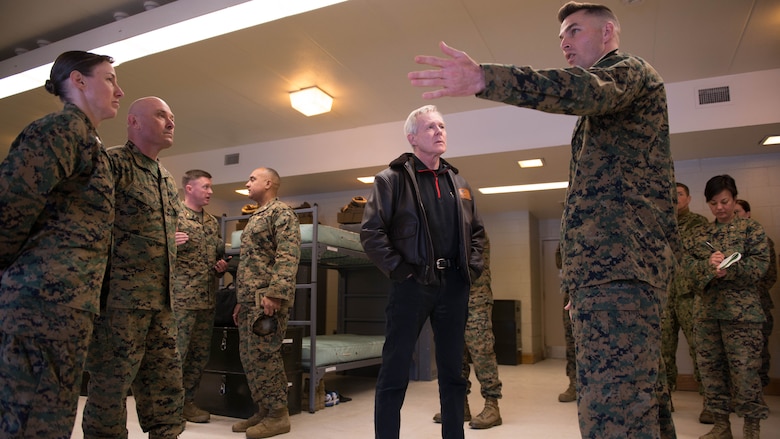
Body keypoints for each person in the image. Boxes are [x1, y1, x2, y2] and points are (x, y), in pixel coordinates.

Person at [408, 3, 679, 438]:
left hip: (621, 273)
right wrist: (576, 278)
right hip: (608, 274)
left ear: (608, 32)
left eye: (574, 31)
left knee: (614, 410)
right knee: (639, 399)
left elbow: (581, 90)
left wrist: (485, 79)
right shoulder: (601, 116)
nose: (565, 44)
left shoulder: (627, 72)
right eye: (560, 37)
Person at [0, 50, 124, 439]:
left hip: (66, 307)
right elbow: (9, 206)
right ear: (78, 81)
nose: (118, 91)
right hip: (41, 304)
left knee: (50, 417)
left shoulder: (90, 142)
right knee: (30, 420)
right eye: (109, 79)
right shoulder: (60, 130)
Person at [360, 104, 486, 439]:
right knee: (395, 370)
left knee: (453, 373)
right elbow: (371, 232)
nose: (440, 132)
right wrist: (401, 272)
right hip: (413, 285)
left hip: (454, 285)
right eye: (431, 127)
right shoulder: (391, 179)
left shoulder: (459, 182)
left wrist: (471, 269)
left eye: (442, 126)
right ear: (413, 137)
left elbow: (477, 233)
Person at [82, 97, 184, 439]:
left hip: (162, 305)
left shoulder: (167, 180)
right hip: (119, 306)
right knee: (111, 389)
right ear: (134, 122)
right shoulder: (112, 164)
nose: (170, 123)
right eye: (160, 115)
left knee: (166, 388)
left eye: (172, 117)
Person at [685, 175, 769, 439]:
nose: (719, 208)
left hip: (742, 316)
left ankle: (751, 429)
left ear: (734, 199)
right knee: (711, 372)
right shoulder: (702, 234)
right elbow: (687, 270)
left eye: (724, 201)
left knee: (745, 373)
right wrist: (708, 267)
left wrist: (728, 270)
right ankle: (721, 426)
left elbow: (760, 267)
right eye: (713, 203)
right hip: (707, 315)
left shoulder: (751, 230)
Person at [230, 167, 301, 439]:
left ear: (268, 183)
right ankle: (264, 409)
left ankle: (278, 415)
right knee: (250, 358)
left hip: (267, 299)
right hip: (250, 301)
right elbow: (251, 264)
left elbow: (288, 255)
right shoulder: (256, 216)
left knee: (265, 356)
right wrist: (240, 301)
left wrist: (275, 294)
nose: (247, 183)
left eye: (252, 179)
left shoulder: (281, 213)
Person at [173, 169, 230, 423]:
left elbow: (217, 257)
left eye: (210, 187)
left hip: (207, 301)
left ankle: (187, 404)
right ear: (189, 188)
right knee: (176, 355)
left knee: (198, 357)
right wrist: (167, 243)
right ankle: (168, 407)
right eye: (205, 187)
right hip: (181, 301)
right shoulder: (172, 216)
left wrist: (221, 268)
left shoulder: (211, 222)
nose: (210, 192)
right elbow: (150, 254)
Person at [432, 235, 502, 429]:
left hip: (476, 297)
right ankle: (459, 405)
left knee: (481, 350)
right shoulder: (447, 228)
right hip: (451, 299)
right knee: (455, 354)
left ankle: (492, 404)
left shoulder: (475, 231)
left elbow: (471, 263)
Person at [662, 183, 710, 419]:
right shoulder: (660, 225)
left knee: (700, 349)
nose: (675, 199)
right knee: (663, 351)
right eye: (671, 195)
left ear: (689, 198)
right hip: (664, 296)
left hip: (689, 295)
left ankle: (710, 402)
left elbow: (706, 260)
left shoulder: (699, 224)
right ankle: (665, 399)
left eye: (679, 194)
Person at [735, 199, 776, 391]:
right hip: (731, 308)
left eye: (738, 212)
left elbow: (770, 277)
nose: (735, 217)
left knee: (758, 353)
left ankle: (758, 395)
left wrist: (745, 292)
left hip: (756, 306)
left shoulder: (763, 242)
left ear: (748, 214)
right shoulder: (723, 243)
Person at [556, 246, 577, 403]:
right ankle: (574, 384)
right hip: (573, 292)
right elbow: (559, 258)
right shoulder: (571, 229)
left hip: (601, 291)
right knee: (571, 343)